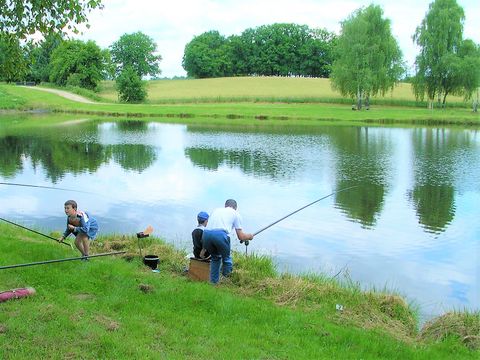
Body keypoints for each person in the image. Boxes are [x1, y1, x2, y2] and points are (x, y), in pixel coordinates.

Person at [202, 199, 254, 284]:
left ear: (225, 206)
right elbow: (241, 236)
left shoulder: (216, 210)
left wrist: (203, 248)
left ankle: (213, 283)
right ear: (235, 207)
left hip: (206, 234)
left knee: (215, 258)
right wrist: (250, 236)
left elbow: (209, 227)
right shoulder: (236, 214)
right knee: (227, 259)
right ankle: (226, 280)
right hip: (220, 235)